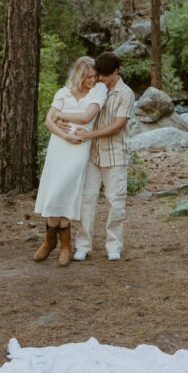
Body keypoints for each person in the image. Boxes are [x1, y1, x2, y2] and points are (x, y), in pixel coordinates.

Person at [32, 57, 107, 266]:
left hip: (79, 148)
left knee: (65, 189)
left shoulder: (98, 90)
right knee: (55, 190)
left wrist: (61, 116)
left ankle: (65, 244)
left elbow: (85, 117)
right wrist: (64, 134)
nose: (92, 80)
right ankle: (51, 242)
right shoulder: (63, 92)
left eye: (94, 76)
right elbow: (48, 120)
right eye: (88, 77)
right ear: (79, 76)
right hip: (60, 145)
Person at [68, 51, 135, 262]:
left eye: (104, 75)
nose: (100, 79)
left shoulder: (126, 94)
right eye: (98, 75)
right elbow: (78, 109)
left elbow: (118, 125)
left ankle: (113, 246)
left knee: (116, 202)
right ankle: (83, 245)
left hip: (115, 155)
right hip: (91, 155)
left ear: (116, 72)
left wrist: (90, 135)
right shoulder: (95, 88)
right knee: (86, 200)